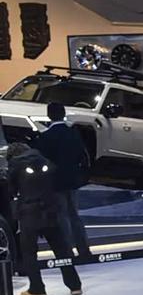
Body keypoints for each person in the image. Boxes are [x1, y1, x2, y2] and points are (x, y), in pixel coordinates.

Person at [5, 143, 82, 295]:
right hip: (51, 209)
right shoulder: (45, 161)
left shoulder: (15, 165)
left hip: (29, 213)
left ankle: (37, 289)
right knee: (61, 250)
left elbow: (11, 190)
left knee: (29, 253)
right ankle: (75, 285)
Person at [32, 102, 91, 259]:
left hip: (55, 181)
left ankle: (67, 251)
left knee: (62, 216)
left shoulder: (45, 136)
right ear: (63, 114)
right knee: (74, 215)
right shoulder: (73, 133)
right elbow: (82, 155)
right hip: (73, 179)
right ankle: (84, 250)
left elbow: (40, 159)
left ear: (49, 115)